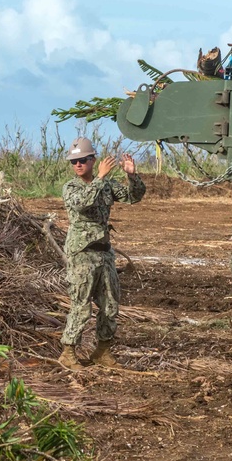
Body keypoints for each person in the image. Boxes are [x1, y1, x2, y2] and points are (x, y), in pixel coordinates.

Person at [59, 136, 145, 370]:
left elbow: (133, 197)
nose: (78, 165)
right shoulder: (71, 187)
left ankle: (102, 351)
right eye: (74, 161)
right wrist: (99, 177)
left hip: (104, 253)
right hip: (82, 254)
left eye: (83, 160)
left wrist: (132, 176)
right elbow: (81, 204)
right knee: (81, 305)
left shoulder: (106, 184)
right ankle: (68, 352)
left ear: (92, 159)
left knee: (110, 304)